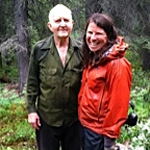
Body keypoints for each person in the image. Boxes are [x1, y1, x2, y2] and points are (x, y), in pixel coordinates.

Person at [26, 4, 82, 150]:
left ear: (72, 24)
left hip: (74, 120)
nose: (62, 24)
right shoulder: (39, 49)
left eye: (66, 20)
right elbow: (32, 82)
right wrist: (31, 111)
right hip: (47, 119)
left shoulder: (81, 51)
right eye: (58, 21)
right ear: (50, 26)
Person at [78, 13, 132, 150]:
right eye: (90, 33)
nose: (93, 38)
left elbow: (118, 105)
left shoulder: (117, 64)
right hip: (85, 126)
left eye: (99, 34)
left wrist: (109, 141)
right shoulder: (94, 57)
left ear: (108, 36)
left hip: (99, 133)